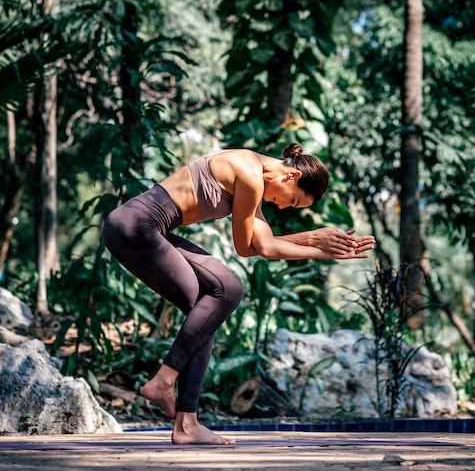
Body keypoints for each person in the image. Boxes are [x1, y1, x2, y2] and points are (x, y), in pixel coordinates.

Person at [102, 144, 374, 445]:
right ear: (292, 175)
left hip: (151, 229)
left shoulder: (255, 173)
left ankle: (186, 424)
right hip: (136, 226)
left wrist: (314, 239)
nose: (283, 207)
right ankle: (167, 384)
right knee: (212, 301)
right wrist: (322, 251)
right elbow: (254, 248)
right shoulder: (250, 175)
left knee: (221, 296)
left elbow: (260, 243)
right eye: (293, 201)